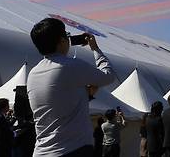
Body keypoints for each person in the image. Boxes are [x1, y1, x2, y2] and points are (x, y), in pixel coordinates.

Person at [27, 18, 115, 157]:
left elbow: (57, 103)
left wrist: (86, 95)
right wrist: (95, 49)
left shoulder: (33, 73)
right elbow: (108, 76)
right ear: (62, 40)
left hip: (41, 151)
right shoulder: (71, 65)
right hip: (73, 149)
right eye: (66, 35)